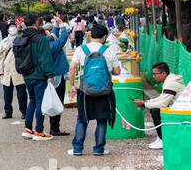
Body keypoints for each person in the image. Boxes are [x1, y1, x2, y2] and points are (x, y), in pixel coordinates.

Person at [66, 22, 121, 158]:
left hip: (85, 91)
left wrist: (72, 85)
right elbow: (117, 72)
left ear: (91, 35)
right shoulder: (109, 51)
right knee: (102, 119)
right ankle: (99, 149)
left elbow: (72, 68)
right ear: (104, 37)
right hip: (105, 91)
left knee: (82, 119)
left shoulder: (81, 49)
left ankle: (78, 149)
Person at [17, 15, 56, 141]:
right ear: (36, 23)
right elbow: (45, 59)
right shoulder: (41, 39)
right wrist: (50, 74)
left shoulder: (21, 38)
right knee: (40, 102)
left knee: (32, 100)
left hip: (26, 73)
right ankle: (39, 131)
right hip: (39, 75)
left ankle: (28, 128)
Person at [135, 62, 183, 150]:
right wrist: (146, 101)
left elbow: (163, 103)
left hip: (183, 111)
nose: (153, 76)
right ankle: (160, 137)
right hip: (179, 108)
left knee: (156, 110)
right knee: (154, 109)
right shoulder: (169, 79)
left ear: (163, 73)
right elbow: (162, 97)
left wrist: (144, 104)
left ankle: (163, 139)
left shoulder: (170, 83)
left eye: (155, 74)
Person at [45, 17, 71, 137]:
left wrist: (55, 24)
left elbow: (54, 36)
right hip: (56, 76)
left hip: (50, 75)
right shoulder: (52, 46)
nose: (49, 33)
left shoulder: (45, 43)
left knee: (53, 100)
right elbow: (62, 39)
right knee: (57, 101)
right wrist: (62, 25)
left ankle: (53, 127)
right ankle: (55, 128)